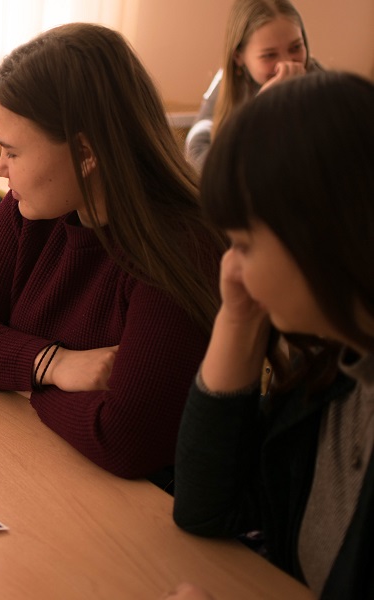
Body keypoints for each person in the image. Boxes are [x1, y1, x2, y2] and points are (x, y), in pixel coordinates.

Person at [0, 23, 225, 481]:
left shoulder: (179, 247)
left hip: (141, 508)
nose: (1, 168)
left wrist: (22, 379)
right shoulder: (32, 208)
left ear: (86, 152)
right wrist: (51, 366)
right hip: (43, 464)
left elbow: (123, 439)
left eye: (12, 151)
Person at [173, 72, 374, 599]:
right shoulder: (337, 360)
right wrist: (238, 318)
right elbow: (208, 507)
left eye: (242, 244)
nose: (231, 271)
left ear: (319, 240)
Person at [184, 0, 322, 170]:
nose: (286, 64)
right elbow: (195, 148)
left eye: (296, 48)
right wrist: (259, 110)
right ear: (238, 57)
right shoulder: (228, 80)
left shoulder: (322, 85)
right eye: (269, 55)